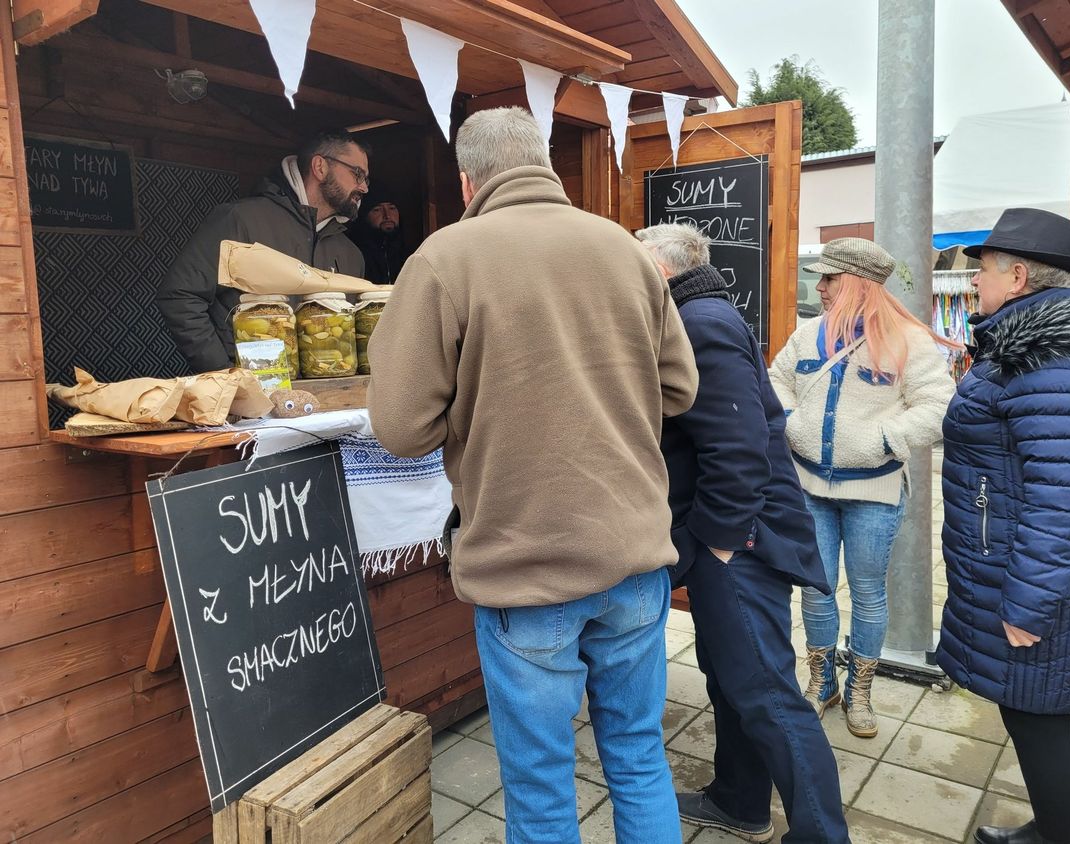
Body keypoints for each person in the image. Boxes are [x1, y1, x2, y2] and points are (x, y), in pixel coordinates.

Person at [366, 107, 698, 844]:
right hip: (636, 560)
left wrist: (481, 408)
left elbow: (398, 428)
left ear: (466, 181)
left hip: (527, 569)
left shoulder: (443, 259)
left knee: (542, 787)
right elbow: (681, 391)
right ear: (542, 162)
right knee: (640, 760)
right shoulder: (623, 249)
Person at [638, 223, 849, 844]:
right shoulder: (697, 314)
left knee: (766, 692)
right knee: (732, 677)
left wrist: (722, 541)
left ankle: (820, 835)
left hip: (739, 541)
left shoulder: (700, 322)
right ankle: (739, 800)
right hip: (727, 538)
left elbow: (739, 445)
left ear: (660, 269)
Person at [937, 208, 1070, 844]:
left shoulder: (1051, 357)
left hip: (1053, 585)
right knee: (1053, 705)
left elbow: (1063, 499)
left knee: (1034, 712)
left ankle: (1063, 837)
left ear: (1019, 276)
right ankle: (1058, 828)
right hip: (1051, 573)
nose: (975, 284)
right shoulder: (1034, 348)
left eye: (984, 272)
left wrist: (1027, 605)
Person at [769, 237, 956, 738]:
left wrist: (884, 439)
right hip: (810, 486)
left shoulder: (908, 342)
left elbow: (938, 405)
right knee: (815, 589)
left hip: (874, 491)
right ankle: (822, 682)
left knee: (869, 594)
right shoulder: (807, 336)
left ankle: (860, 691)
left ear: (853, 284)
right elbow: (777, 382)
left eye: (829, 278)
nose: (821, 287)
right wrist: (791, 422)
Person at [158, 129, 368, 372]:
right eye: (357, 174)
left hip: (332, 400)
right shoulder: (239, 220)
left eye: (365, 179)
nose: (363, 188)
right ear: (320, 167)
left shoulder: (351, 254)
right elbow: (180, 296)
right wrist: (224, 374)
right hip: (250, 399)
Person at [348, 193, 409, 284]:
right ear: (365, 216)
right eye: (377, 210)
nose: (387, 216)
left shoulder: (409, 254)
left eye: (392, 208)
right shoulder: (354, 253)